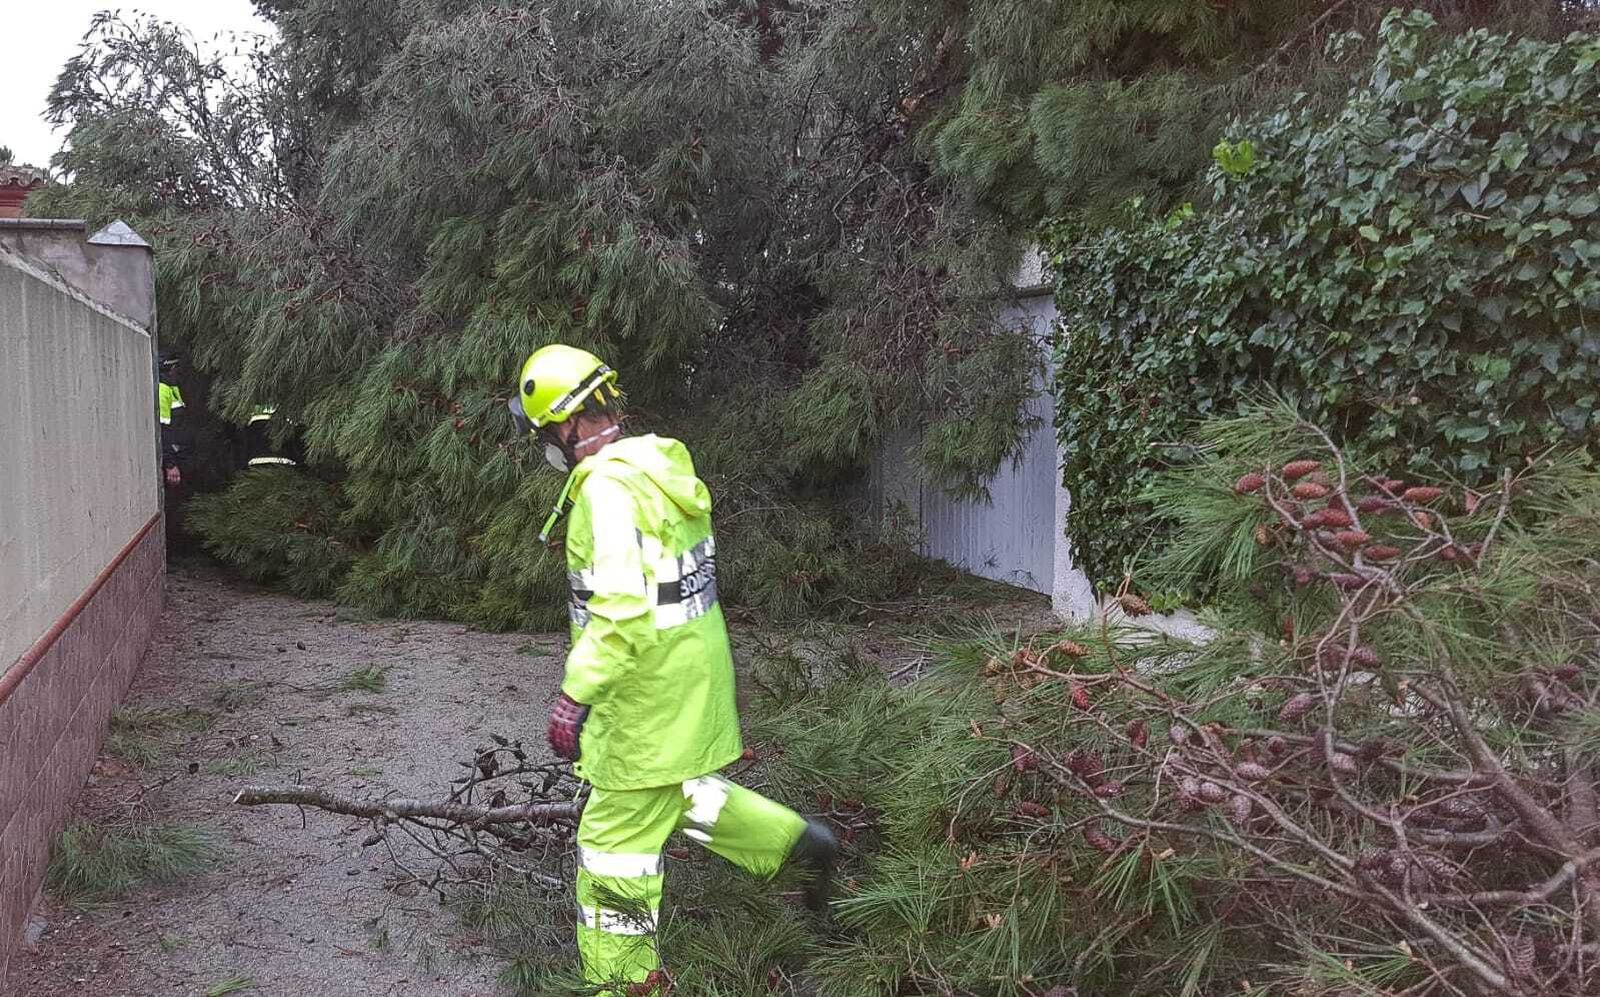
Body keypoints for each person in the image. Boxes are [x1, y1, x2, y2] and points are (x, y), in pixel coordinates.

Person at [510, 344, 838, 993]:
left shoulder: (605, 489)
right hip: (688, 681)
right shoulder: (654, 466)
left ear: (570, 425)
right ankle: (796, 845)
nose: (546, 444)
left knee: (611, 853)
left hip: (644, 696)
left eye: (546, 431)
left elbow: (622, 610)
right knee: (674, 794)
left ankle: (623, 984)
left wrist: (574, 695)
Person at [157, 353, 185, 486]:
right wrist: (170, 464)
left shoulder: (170, 387)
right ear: (171, 368)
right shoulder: (162, 390)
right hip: (169, 460)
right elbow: (162, 429)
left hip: (176, 456)